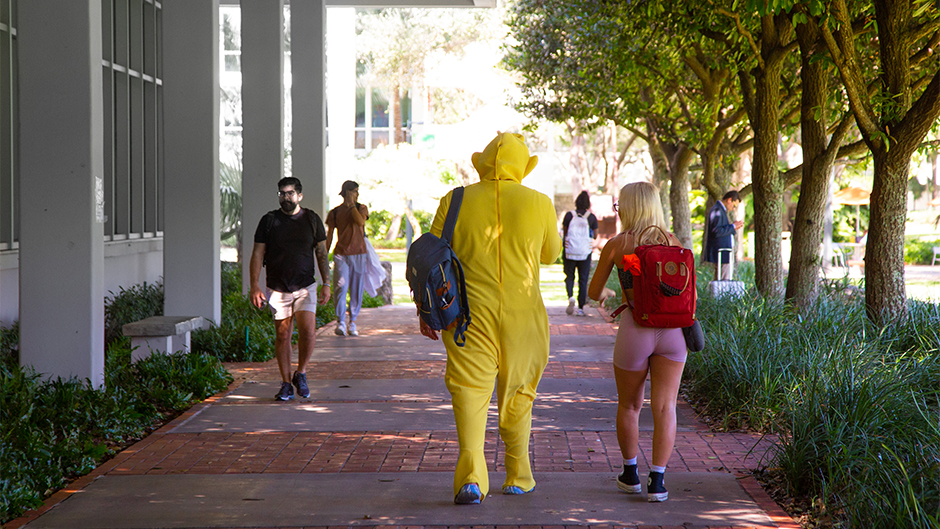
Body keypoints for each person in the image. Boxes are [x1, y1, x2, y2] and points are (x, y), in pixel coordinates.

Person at [419, 132, 562, 505]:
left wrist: (425, 309)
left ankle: (470, 479)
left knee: (468, 393)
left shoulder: (455, 199)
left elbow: (432, 257)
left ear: (481, 164)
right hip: (524, 316)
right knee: (519, 394)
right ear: (523, 167)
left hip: (466, 316)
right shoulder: (540, 202)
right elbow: (550, 255)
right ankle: (518, 476)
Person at [587, 181, 687, 503]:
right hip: (674, 333)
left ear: (626, 208)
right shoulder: (674, 242)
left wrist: (610, 294)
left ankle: (630, 475)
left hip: (635, 330)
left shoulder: (617, 245)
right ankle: (657, 481)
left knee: (630, 405)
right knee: (665, 407)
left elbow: (593, 292)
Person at [250, 177, 331, 401]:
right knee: (283, 334)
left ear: (300, 196)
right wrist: (254, 285)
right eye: (282, 193)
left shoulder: (312, 220)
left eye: (290, 193)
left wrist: (327, 283)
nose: (286, 197)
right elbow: (257, 253)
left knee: (308, 332)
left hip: (306, 285)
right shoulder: (269, 221)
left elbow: (322, 254)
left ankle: (301, 373)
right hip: (277, 287)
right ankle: (286, 383)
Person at [325, 180, 370, 337]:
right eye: (355, 191)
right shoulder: (335, 213)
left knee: (356, 289)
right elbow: (329, 234)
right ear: (347, 192)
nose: (357, 194)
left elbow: (360, 222)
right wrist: (324, 253)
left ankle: (353, 322)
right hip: (341, 254)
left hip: (359, 253)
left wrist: (352, 206)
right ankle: (341, 322)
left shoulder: (361, 208)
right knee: (340, 287)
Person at [562, 191, 598, 316]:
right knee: (583, 279)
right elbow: (596, 235)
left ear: (576, 202)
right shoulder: (591, 217)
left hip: (570, 252)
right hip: (585, 253)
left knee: (569, 276)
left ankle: (571, 297)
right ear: (588, 203)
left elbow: (565, 233)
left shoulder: (569, 216)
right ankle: (581, 307)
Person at [704, 190, 744, 280]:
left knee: (723, 278)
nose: (733, 208)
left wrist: (732, 226)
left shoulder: (720, 210)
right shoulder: (717, 210)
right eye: (734, 205)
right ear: (729, 200)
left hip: (724, 253)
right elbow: (717, 231)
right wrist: (733, 227)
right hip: (721, 252)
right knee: (723, 281)